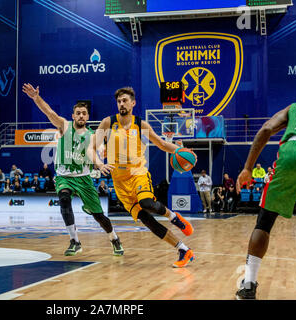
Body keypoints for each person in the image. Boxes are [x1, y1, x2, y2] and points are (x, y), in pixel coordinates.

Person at [235, 80, 296, 300]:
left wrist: (247, 168)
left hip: (292, 153)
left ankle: (249, 285)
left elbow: (266, 129)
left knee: (264, 221)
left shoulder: (295, 108)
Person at [92, 86, 195, 267]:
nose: (121, 104)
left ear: (133, 103)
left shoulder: (141, 125)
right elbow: (91, 148)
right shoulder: (108, 123)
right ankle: (184, 250)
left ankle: (174, 218)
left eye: (125, 100)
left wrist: (180, 150)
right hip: (119, 181)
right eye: (119, 101)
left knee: (147, 202)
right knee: (147, 220)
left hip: (137, 173)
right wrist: (99, 163)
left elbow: (162, 144)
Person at [23, 83, 125, 256]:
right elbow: (49, 111)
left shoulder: (92, 135)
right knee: (64, 199)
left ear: (87, 117)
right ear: (73, 116)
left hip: (84, 178)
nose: (81, 116)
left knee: (99, 216)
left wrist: (100, 164)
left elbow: (95, 155)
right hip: (64, 177)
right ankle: (74, 241)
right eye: (78, 113)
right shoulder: (64, 126)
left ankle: (114, 238)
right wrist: (36, 98)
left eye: (84, 113)